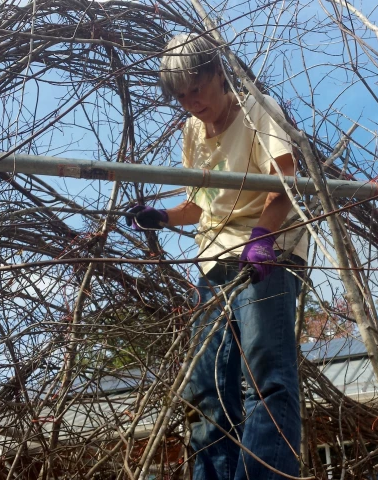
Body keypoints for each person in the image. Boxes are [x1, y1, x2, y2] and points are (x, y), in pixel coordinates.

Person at [127, 33, 308, 480]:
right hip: (214, 262)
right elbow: (200, 203)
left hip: (266, 255)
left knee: (266, 380)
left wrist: (263, 236)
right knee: (207, 390)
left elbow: (286, 177)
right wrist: (161, 217)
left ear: (217, 74)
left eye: (197, 87)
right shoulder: (193, 131)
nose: (190, 102)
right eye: (181, 95)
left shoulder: (256, 109)